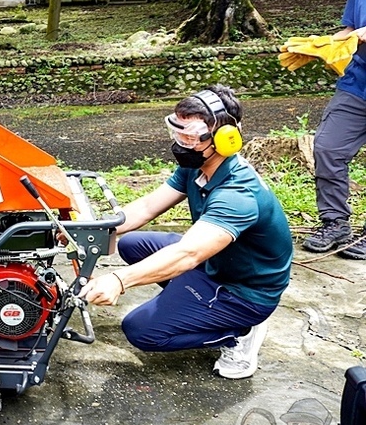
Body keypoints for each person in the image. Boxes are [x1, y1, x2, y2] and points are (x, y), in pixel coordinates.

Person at [81, 86, 293, 380]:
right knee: (130, 244)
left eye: (190, 136)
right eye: (178, 132)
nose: (181, 144)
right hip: (216, 260)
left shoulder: (238, 194)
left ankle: (238, 332)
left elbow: (188, 254)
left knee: (141, 331)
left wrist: (119, 280)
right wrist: (88, 231)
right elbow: (146, 207)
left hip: (242, 291)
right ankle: (197, 310)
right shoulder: (198, 165)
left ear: (224, 139)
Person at [303, 0, 366, 259]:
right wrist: (319, 45)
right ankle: (335, 222)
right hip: (357, 85)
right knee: (328, 147)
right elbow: (351, 30)